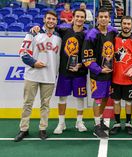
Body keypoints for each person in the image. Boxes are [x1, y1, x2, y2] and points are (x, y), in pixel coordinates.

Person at [30, 9, 89, 134]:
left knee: (80, 98)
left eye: (82, 17)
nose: (79, 19)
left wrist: (81, 65)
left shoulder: (87, 34)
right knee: (62, 97)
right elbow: (48, 28)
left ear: (85, 19)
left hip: (80, 71)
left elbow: (89, 53)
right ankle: (61, 123)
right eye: (77, 16)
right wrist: (37, 28)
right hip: (64, 71)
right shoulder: (63, 31)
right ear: (73, 17)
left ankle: (79, 121)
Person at [14, 11, 61, 142]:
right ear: (44, 19)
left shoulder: (59, 36)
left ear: (56, 22)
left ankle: (43, 128)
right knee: (27, 103)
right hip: (32, 74)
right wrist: (34, 63)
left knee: (45, 105)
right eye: (49, 19)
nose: (51, 21)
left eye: (53, 19)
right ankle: (24, 129)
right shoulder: (33, 33)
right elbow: (23, 53)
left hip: (50, 76)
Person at [82, 7, 118, 138]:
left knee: (105, 97)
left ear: (109, 18)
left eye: (106, 17)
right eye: (101, 17)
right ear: (97, 18)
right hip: (98, 74)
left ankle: (100, 119)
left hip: (110, 73)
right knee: (98, 99)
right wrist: (99, 69)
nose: (103, 19)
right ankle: (96, 126)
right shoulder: (91, 34)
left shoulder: (113, 31)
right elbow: (86, 57)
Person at [109, 16, 132, 135]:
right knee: (116, 101)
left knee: (129, 102)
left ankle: (128, 123)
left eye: (128, 24)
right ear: (121, 25)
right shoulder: (114, 38)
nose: (126, 26)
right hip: (115, 77)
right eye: (124, 23)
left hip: (129, 79)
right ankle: (117, 123)